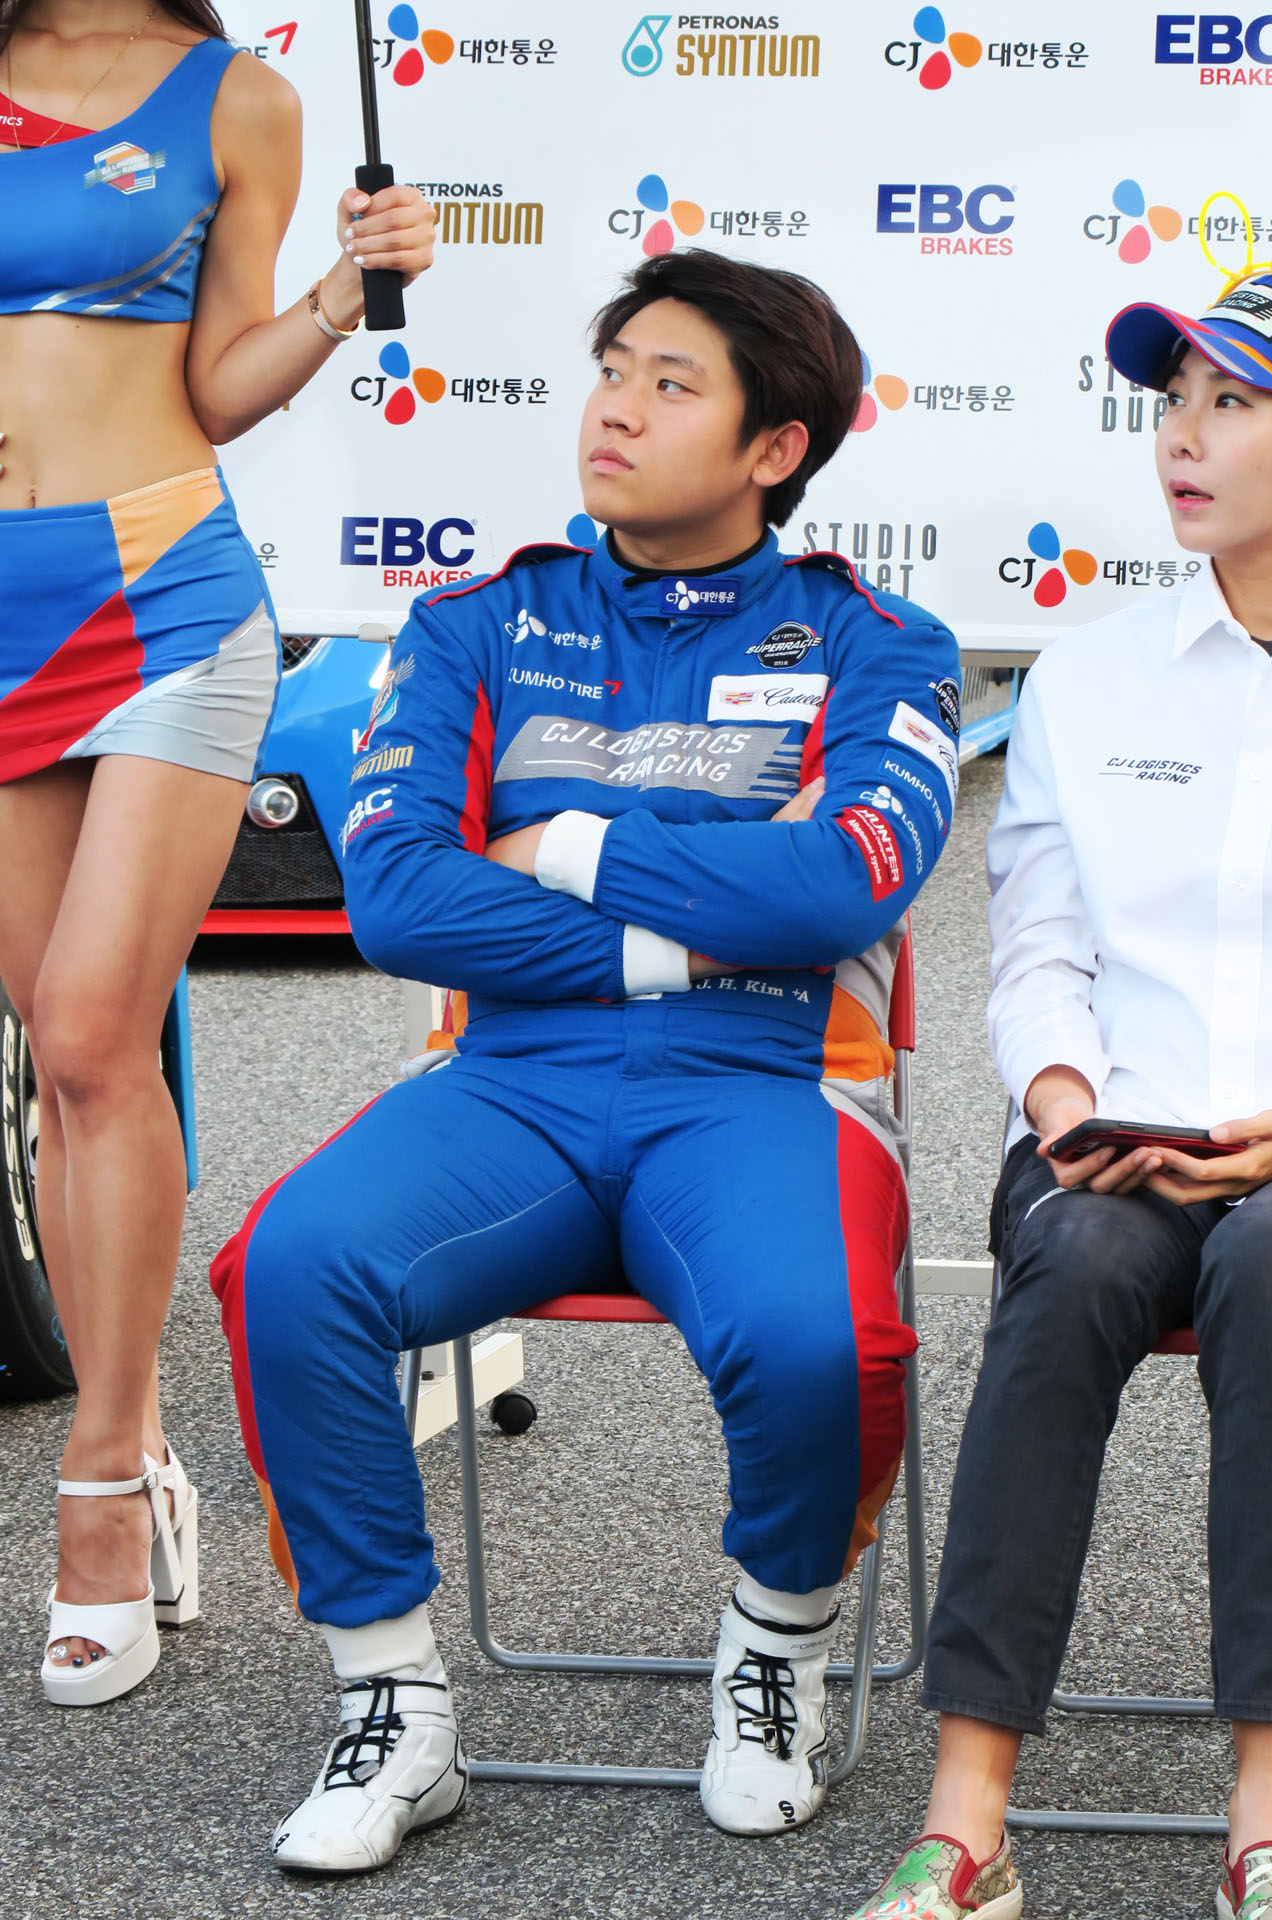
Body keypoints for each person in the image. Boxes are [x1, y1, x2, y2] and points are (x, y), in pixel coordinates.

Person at [211, 246, 961, 1875]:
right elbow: (400, 898)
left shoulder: (881, 644)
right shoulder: (478, 623)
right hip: (513, 1085)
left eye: (670, 385)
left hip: (765, 1083)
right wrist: (696, 917)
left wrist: (555, 849)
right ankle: (391, 1700)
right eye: (612, 370)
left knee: (823, 1340)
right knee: (291, 1265)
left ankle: (775, 1651)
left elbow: (843, 885)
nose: (615, 407)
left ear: (776, 447)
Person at [0, 0, 435, 1708]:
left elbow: (209, 385)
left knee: (95, 1028)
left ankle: (104, 1480)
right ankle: (146, 1450)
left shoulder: (236, 98)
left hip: (160, 592)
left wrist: (341, 292)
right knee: (58, 1054)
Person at [851, 267, 1272, 1920]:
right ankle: (968, 1817)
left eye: (1232, 404)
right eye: (1172, 404)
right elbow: (1037, 944)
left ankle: (1265, 1812)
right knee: (1075, 1266)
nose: (1182, 438)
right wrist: (1063, 1108)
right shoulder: (1090, 679)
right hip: (1108, 1143)